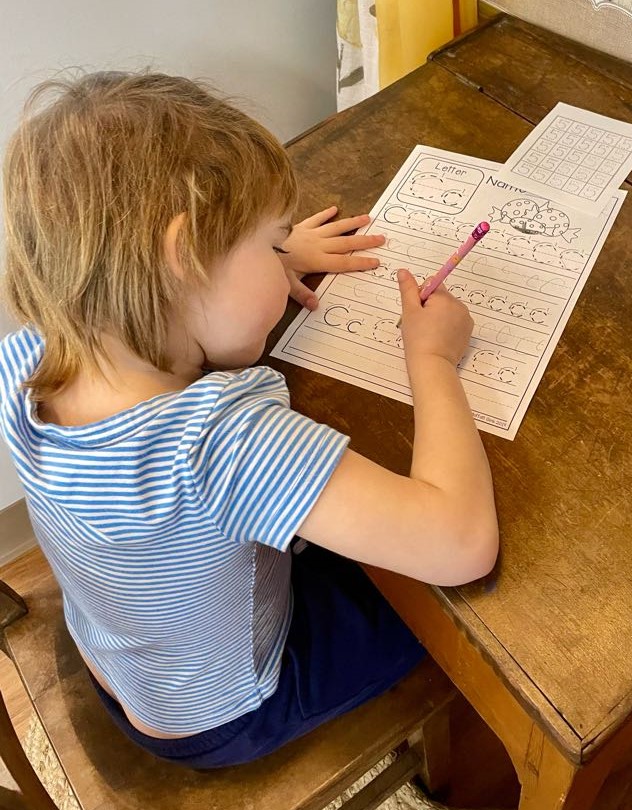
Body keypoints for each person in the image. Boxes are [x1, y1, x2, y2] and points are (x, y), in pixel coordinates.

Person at [0, 71, 498, 769]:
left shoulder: (25, 357)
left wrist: (255, 268)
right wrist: (433, 358)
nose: (282, 255)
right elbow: (462, 544)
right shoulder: (219, 441)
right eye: (272, 242)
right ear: (186, 260)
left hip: (127, 661)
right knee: (454, 616)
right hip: (230, 713)